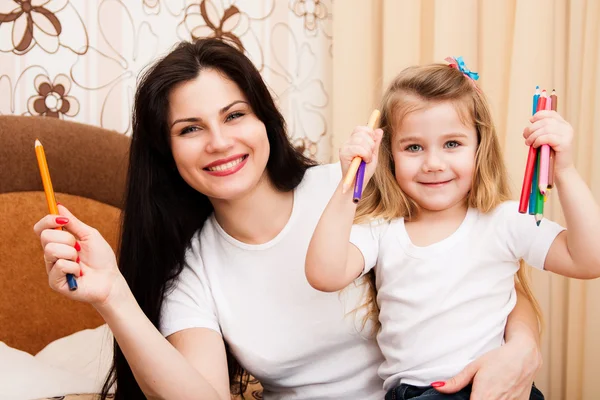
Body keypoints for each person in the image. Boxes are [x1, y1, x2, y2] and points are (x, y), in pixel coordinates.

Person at [35, 40, 545, 400]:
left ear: (265, 121)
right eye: (191, 129)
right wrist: (112, 296)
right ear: (166, 152)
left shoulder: (352, 187)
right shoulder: (193, 269)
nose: (219, 141)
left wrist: (521, 349)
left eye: (235, 115)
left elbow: (484, 266)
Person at [305, 59, 600, 400]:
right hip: (416, 393)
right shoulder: (383, 230)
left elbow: (589, 259)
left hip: (497, 387)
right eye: (413, 147)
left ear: (479, 147)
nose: (433, 163)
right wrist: (351, 181)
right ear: (389, 155)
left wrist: (565, 170)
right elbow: (323, 274)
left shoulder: (504, 220)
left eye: (452, 144)